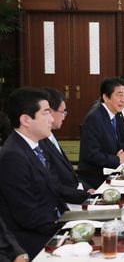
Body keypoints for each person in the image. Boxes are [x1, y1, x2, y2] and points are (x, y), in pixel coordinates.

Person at [0, 87, 68, 259]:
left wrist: (70, 219)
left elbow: (55, 190)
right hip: (33, 239)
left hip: (51, 225)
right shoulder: (13, 156)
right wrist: (65, 230)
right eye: (46, 113)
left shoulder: (35, 145)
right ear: (25, 120)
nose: (52, 119)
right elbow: (27, 215)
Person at [39, 88, 94, 205]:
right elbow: (54, 184)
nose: (64, 117)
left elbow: (69, 173)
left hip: (75, 192)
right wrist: (87, 196)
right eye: (62, 112)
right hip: (64, 203)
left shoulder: (50, 135)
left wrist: (86, 188)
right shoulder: (39, 142)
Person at [78, 77, 124, 188]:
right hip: (95, 176)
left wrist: (119, 155)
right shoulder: (94, 118)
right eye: (119, 95)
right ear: (106, 97)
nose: (123, 99)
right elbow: (91, 155)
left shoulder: (112, 113)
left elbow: (112, 144)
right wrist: (117, 159)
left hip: (109, 168)